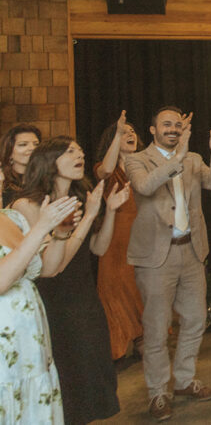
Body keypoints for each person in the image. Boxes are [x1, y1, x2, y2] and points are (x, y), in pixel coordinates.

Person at [14, 137, 128, 425]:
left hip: (84, 299)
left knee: (89, 380)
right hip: (52, 303)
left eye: (80, 149)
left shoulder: (81, 197)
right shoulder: (27, 205)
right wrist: (86, 217)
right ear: (49, 161)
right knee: (64, 383)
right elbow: (55, 266)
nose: (79, 154)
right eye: (69, 151)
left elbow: (99, 249)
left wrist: (109, 210)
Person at [124, 107, 211, 421]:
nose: (173, 129)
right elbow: (144, 187)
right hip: (157, 256)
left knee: (196, 319)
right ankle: (158, 393)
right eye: (166, 124)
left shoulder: (194, 159)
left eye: (178, 125)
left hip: (192, 252)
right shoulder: (136, 159)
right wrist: (177, 157)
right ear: (153, 130)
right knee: (156, 329)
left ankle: (184, 381)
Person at [0, 165, 79, 424]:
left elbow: (48, 269)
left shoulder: (12, 218)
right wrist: (40, 227)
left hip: (31, 342)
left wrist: (60, 233)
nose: (1, 177)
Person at [93, 111, 145, 360]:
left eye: (133, 132)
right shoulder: (107, 170)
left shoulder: (144, 165)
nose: (130, 134)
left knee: (140, 288)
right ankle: (119, 345)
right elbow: (105, 169)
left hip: (143, 237)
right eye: (125, 132)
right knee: (115, 290)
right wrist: (117, 133)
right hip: (115, 240)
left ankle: (143, 338)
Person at [1, 123, 41, 206]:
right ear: (9, 152)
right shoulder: (3, 183)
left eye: (36, 144)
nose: (32, 148)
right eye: (23, 144)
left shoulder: (46, 179)